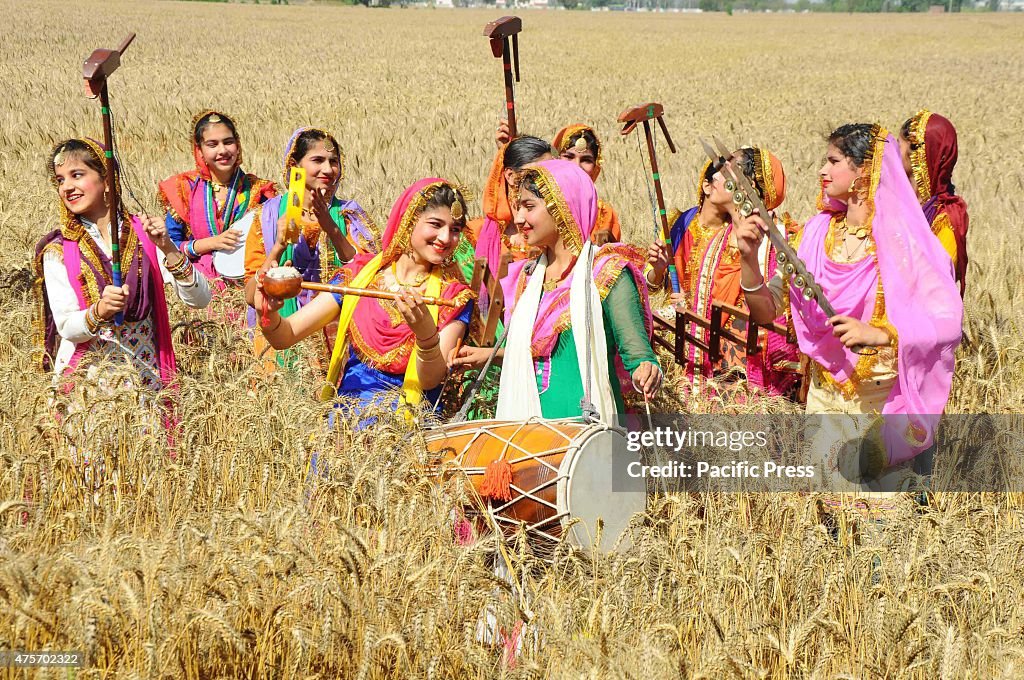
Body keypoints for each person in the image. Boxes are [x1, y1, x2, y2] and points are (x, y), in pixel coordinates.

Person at [736, 124, 962, 487]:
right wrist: (748, 260)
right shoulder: (813, 234)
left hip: (878, 409)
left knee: (874, 528)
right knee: (826, 520)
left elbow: (948, 324)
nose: (822, 171)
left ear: (864, 171)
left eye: (833, 161)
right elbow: (766, 310)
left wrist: (882, 333)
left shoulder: (904, 244)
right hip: (822, 401)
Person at [453, 159, 662, 422]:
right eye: (518, 208)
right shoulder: (529, 277)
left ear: (562, 206)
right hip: (525, 430)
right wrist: (489, 357)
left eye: (529, 207)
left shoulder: (607, 273)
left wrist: (646, 370)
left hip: (585, 432)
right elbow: (539, 360)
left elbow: (638, 355)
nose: (519, 219)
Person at [248, 178, 473, 417]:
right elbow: (285, 336)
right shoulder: (360, 276)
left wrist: (426, 337)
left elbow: (431, 381)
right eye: (436, 224)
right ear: (409, 221)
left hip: (412, 428)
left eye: (455, 230)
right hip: (347, 426)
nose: (446, 238)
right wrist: (269, 314)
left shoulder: (453, 297)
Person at [34, 138, 211, 393]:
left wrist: (168, 248)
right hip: (88, 392)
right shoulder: (59, 251)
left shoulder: (144, 235)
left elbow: (200, 299)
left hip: (147, 385)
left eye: (77, 175)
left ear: (106, 179)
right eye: (60, 180)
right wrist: (100, 311)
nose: (67, 187)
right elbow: (66, 327)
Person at [656, 148, 801, 395]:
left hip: (756, 383)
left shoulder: (781, 243)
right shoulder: (715, 241)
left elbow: (779, 319)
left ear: (746, 188)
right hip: (708, 378)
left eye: (726, 169)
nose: (717, 172)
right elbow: (700, 308)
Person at [240, 127, 377, 368]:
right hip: (281, 344)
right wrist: (278, 248)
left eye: (333, 161)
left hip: (340, 346)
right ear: (295, 165)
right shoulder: (267, 218)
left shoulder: (349, 216)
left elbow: (370, 277)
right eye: (318, 160)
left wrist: (331, 227)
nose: (328, 169)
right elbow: (251, 296)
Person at [157, 110, 276, 286]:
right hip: (198, 286)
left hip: (250, 284)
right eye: (212, 144)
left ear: (238, 145)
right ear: (200, 151)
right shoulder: (184, 189)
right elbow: (170, 245)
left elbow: (272, 240)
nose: (222, 150)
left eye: (228, 142)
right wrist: (211, 243)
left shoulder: (259, 191)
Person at [460, 133, 554, 283]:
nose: (547, 182)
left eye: (551, 174)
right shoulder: (474, 234)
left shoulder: (556, 230)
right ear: (510, 175)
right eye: (537, 174)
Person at [899, 110, 968, 297]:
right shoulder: (895, 199)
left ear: (917, 152)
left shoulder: (946, 219)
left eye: (899, 145)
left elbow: (933, 283)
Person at [551, 123, 622, 243]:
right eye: (569, 156)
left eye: (586, 160)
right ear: (555, 160)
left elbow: (612, 258)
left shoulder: (603, 214)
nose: (576, 166)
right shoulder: (540, 207)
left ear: (595, 168)